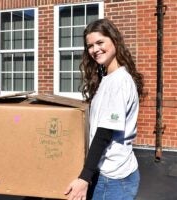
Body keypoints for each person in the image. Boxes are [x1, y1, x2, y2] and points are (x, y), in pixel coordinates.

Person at [64, 18, 144, 200]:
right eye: (90, 46)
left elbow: (104, 132)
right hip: (106, 174)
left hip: (113, 178)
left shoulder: (119, 82)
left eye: (100, 42)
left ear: (114, 40)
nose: (95, 49)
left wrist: (84, 177)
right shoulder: (107, 79)